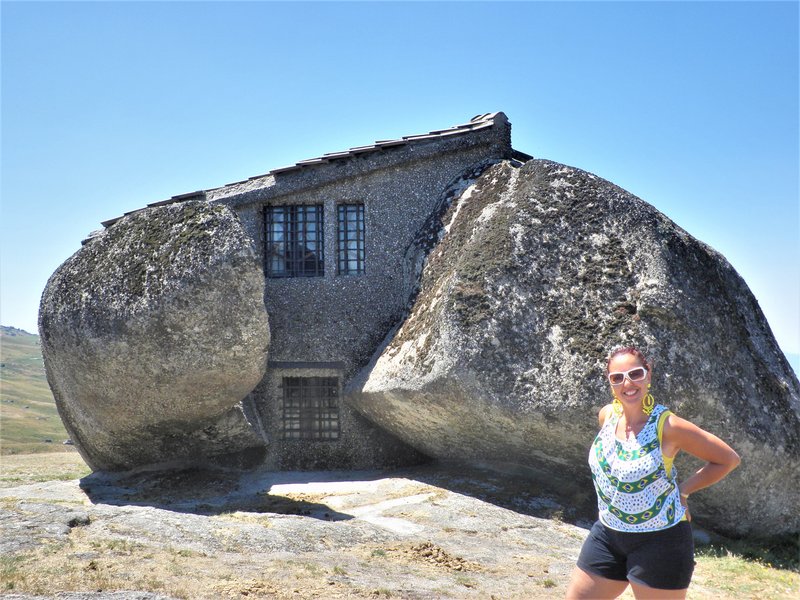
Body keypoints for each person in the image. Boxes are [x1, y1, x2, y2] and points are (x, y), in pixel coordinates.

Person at [565, 346, 740, 600]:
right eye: (617, 378)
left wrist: (684, 491)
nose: (628, 383)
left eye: (635, 374)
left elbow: (727, 460)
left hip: (661, 541)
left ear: (648, 374)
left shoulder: (668, 426)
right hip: (608, 534)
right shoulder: (607, 416)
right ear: (610, 382)